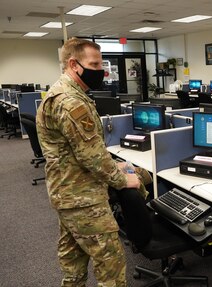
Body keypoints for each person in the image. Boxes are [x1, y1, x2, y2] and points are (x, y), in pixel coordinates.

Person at [36, 38, 141, 286]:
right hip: (83, 199)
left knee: (73, 263)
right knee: (111, 265)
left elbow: (76, 152)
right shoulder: (71, 102)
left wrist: (113, 166)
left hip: (66, 193)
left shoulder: (61, 92)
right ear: (74, 64)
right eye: (94, 64)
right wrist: (123, 178)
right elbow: (91, 156)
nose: (101, 71)